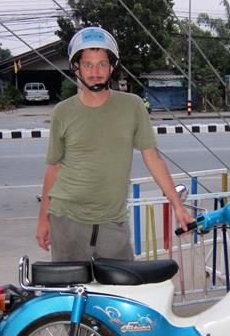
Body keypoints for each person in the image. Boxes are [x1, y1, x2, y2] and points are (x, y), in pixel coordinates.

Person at [36, 27, 193, 262]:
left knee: (119, 293)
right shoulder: (63, 112)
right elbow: (54, 168)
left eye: (102, 64)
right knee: (72, 295)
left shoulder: (133, 106)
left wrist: (177, 205)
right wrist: (42, 220)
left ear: (112, 66)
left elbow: (153, 158)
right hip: (66, 219)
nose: (95, 72)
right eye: (88, 64)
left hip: (113, 223)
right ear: (76, 67)